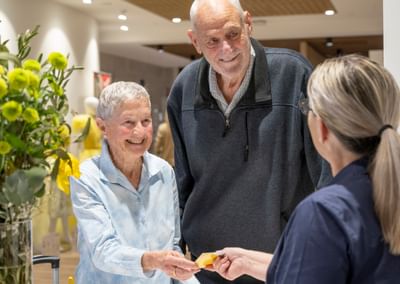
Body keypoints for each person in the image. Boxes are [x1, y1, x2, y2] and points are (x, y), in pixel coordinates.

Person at [167, 0, 330, 283]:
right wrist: (176, 250)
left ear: (248, 23)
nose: (226, 49)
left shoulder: (293, 74)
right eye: (212, 41)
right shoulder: (184, 88)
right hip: (209, 267)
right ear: (195, 41)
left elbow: (326, 170)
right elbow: (181, 183)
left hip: (278, 264)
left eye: (233, 34)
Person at [212, 54, 400, 283]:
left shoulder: (323, 212)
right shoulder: (384, 195)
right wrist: (248, 262)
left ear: (322, 128)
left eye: (306, 107)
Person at [70, 82, 200, 283]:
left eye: (146, 121)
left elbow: (172, 246)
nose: (139, 132)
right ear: (102, 126)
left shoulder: (164, 171)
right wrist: (155, 260)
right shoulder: (86, 177)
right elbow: (103, 251)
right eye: (128, 123)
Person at [71, 96, 102, 162]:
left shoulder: (84, 120)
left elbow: (76, 143)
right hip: (96, 154)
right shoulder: (84, 120)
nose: (95, 108)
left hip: (91, 155)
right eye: (94, 106)